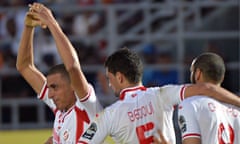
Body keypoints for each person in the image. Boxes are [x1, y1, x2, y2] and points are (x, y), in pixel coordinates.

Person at [78, 48, 240, 144]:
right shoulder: (161, 94)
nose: (110, 83)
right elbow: (206, 88)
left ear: (119, 77)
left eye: (109, 78)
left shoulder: (109, 115)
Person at [16, 3, 102, 144]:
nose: (49, 94)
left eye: (55, 87)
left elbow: (73, 67)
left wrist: (51, 22)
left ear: (72, 86)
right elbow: (24, 66)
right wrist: (28, 27)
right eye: (49, 88)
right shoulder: (60, 109)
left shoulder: (86, 106)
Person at [178, 52, 240, 144]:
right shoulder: (237, 109)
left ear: (198, 73)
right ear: (222, 77)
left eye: (192, 71)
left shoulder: (190, 104)